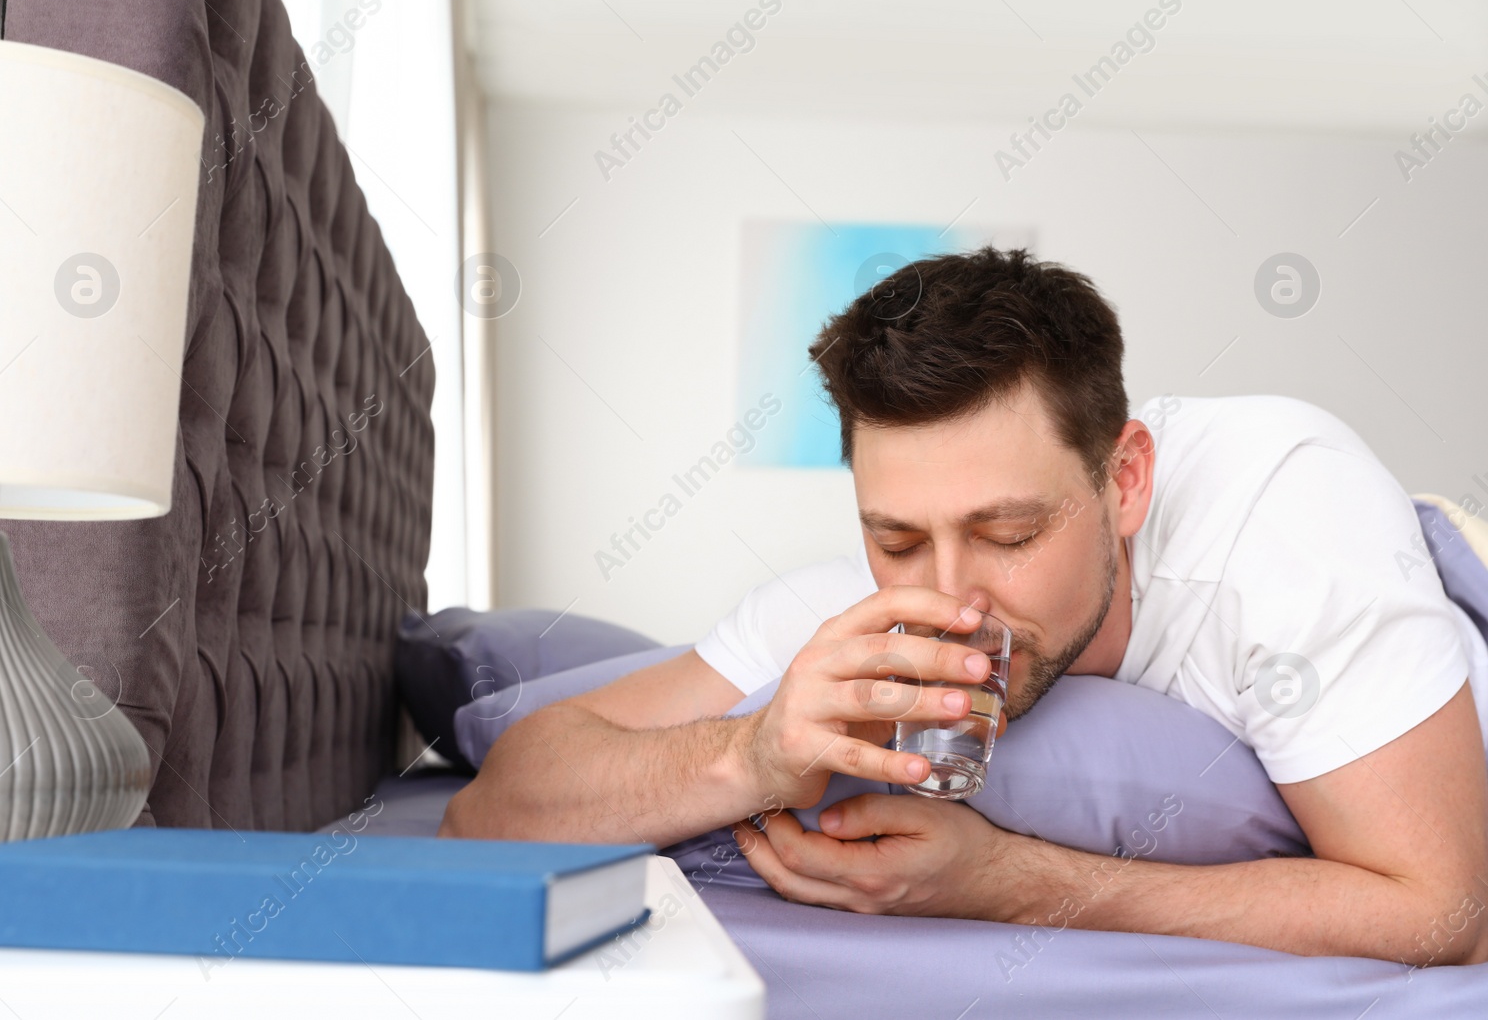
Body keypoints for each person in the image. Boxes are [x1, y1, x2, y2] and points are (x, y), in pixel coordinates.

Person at [441, 246, 1488, 966]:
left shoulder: (1286, 525)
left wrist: (1017, 884)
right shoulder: (842, 607)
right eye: (897, 537)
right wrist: (750, 752)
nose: (946, 594)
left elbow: (1440, 908)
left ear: (1125, 481)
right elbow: (487, 811)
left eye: (1008, 534)